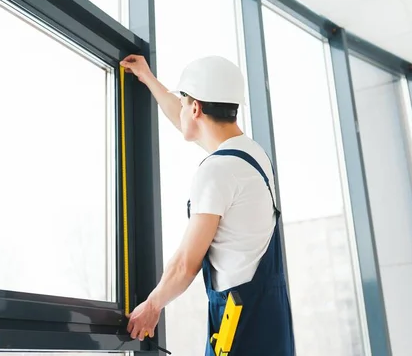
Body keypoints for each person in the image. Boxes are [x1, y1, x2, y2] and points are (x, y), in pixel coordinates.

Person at [120, 54, 295, 355]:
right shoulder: (251, 155)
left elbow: (186, 263)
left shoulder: (216, 171)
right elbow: (184, 118)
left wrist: (152, 304)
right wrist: (148, 78)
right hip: (270, 319)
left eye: (185, 100)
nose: (183, 108)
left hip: (241, 327)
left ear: (197, 107)